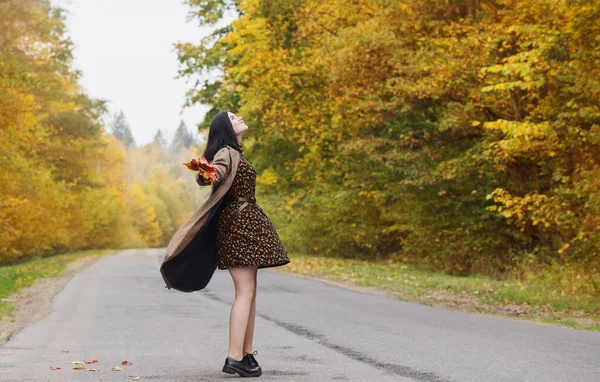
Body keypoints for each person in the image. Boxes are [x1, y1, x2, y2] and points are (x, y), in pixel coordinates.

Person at [197, 110, 291, 377]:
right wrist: (208, 173)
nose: (239, 118)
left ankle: (246, 354)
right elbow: (215, 173)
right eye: (233, 117)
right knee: (244, 291)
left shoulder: (235, 151)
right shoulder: (226, 152)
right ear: (226, 127)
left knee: (249, 292)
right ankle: (235, 356)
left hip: (244, 223)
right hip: (238, 225)